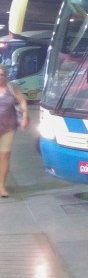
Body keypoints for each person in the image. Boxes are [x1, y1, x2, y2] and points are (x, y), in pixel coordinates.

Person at [0, 65, 28, 197]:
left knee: (4, 156)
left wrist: (25, 116)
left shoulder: (12, 87)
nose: (0, 77)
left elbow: (22, 101)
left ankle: (1, 187)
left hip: (8, 127)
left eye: (2, 74)